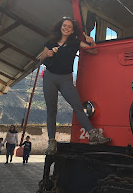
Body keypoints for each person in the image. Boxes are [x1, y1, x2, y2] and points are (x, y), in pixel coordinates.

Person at [40, 17, 111, 155]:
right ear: (60, 27)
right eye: (64, 26)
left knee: (77, 106)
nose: (66, 28)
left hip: (65, 79)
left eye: (69, 27)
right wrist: (47, 54)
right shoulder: (51, 43)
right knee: (51, 110)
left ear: (73, 30)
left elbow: (94, 51)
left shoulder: (75, 43)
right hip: (49, 77)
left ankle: (92, 135)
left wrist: (92, 42)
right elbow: (41, 59)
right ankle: (51, 142)